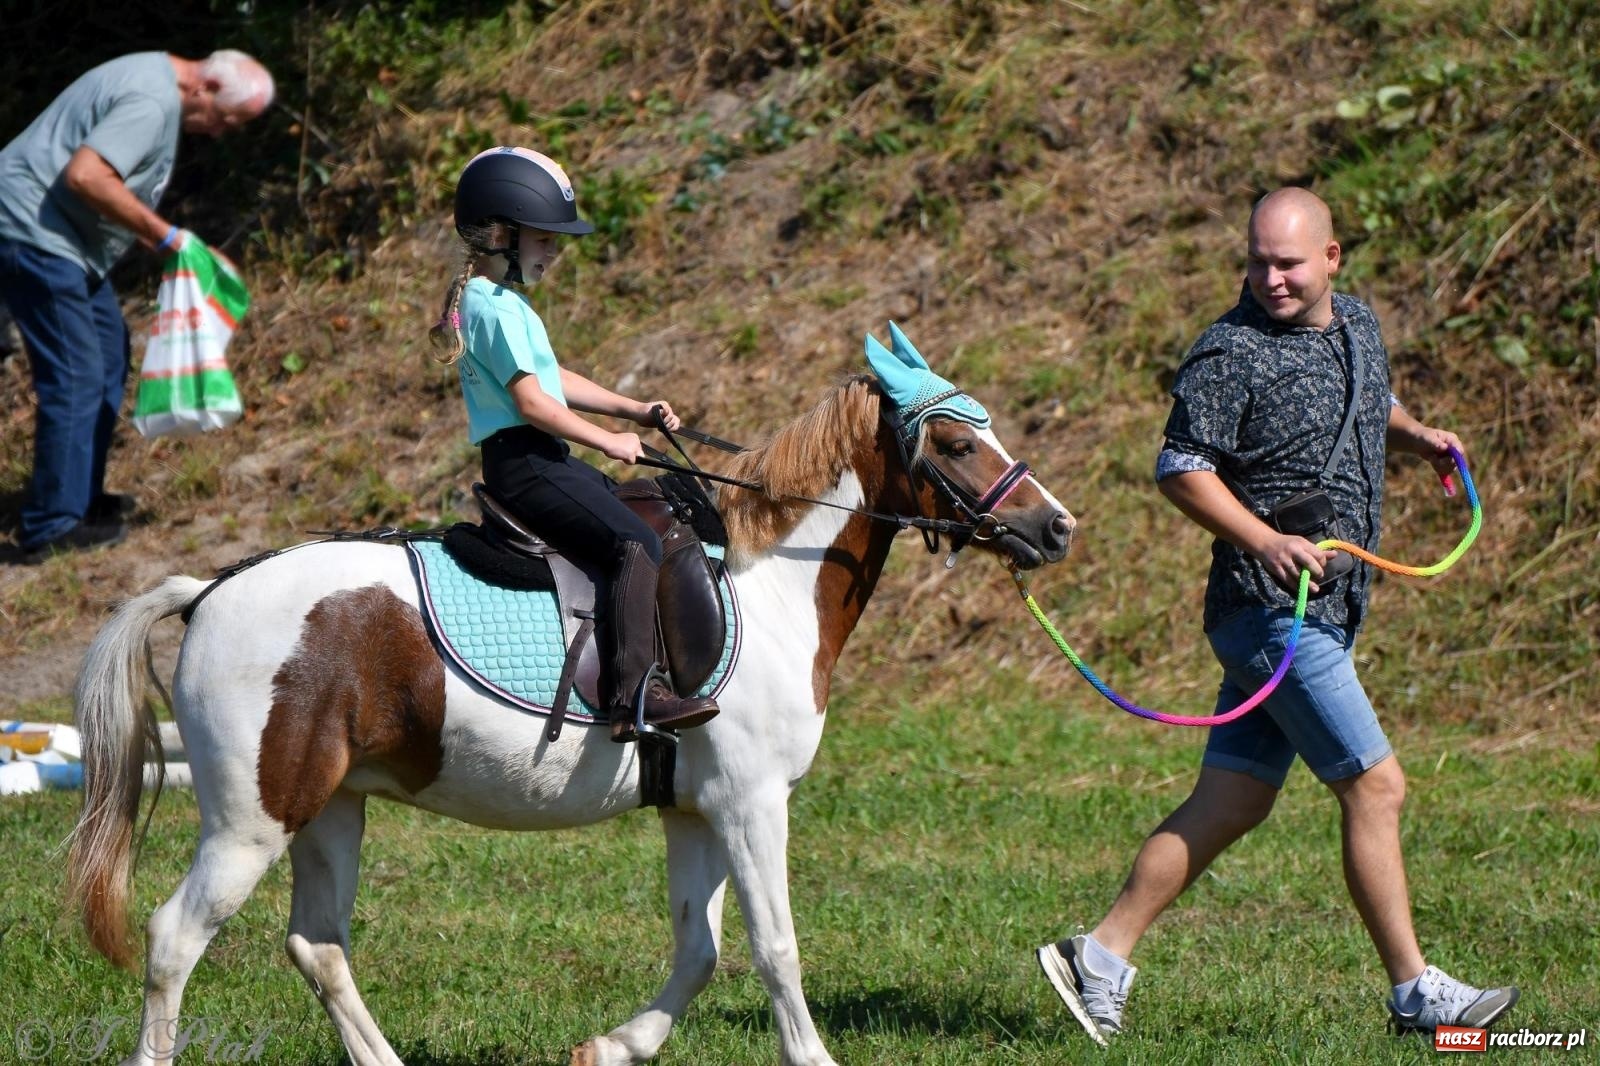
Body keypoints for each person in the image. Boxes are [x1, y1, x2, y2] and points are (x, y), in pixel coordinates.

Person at [1036, 187, 1518, 1044]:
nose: (1271, 278)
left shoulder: (1360, 327)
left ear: (1331, 258)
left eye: (1288, 263)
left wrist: (1421, 437)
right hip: (1271, 615)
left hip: (1325, 615)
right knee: (1375, 784)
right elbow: (1181, 468)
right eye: (1257, 261)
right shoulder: (1228, 353)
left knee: (1231, 803)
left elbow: (1370, 411)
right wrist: (1264, 541)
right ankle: (1418, 996)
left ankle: (1098, 956)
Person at [429, 146, 720, 742]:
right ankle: (633, 697)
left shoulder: (502, 303)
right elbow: (535, 405)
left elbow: (553, 380)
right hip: (526, 464)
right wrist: (610, 440)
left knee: (643, 508)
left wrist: (633, 408)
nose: (554, 251)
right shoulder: (494, 307)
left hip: (542, 458)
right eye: (543, 239)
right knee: (634, 541)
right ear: (502, 234)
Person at [0, 50, 274, 563]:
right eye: (226, 120)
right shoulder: (151, 100)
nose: (220, 133)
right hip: (31, 232)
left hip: (66, 241)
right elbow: (87, 176)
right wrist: (169, 238)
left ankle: (79, 500)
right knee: (78, 372)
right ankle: (50, 526)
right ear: (206, 89)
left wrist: (176, 245)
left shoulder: (156, 79)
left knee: (108, 353)